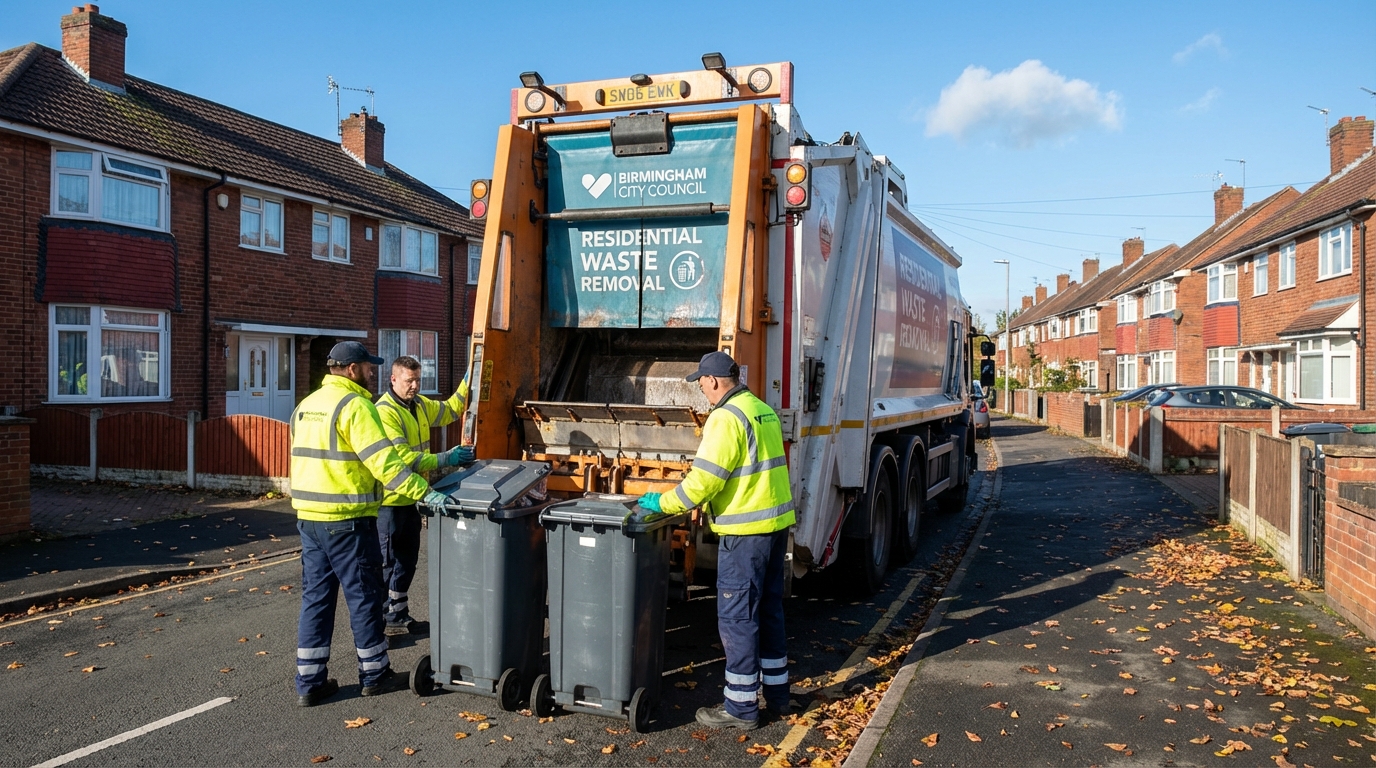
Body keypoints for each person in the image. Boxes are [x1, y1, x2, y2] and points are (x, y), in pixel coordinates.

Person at [639, 351, 796, 730]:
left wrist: (662, 502)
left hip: (745, 534)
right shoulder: (761, 409)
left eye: (702, 384)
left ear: (712, 382)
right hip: (775, 527)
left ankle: (741, 708)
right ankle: (778, 697)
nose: (702, 392)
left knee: (738, 618)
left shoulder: (725, 418)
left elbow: (704, 481)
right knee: (768, 611)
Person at [289, 341, 450, 707]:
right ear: (350, 370)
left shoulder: (305, 406)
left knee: (316, 598)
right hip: (348, 520)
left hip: (309, 519)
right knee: (365, 596)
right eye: (366, 366)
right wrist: (424, 492)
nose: (371, 372)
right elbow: (386, 464)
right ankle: (375, 673)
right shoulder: (355, 406)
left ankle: (310, 682)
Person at [374, 355, 473, 635]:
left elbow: (451, 410)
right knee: (386, 563)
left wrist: (470, 379)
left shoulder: (418, 405)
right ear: (393, 379)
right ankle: (379, 623)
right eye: (409, 381)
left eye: (418, 380)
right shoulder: (385, 412)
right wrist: (447, 458)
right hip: (390, 501)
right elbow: (404, 459)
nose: (415, 386)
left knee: (407, 559)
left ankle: (398, 612)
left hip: (412, 498)